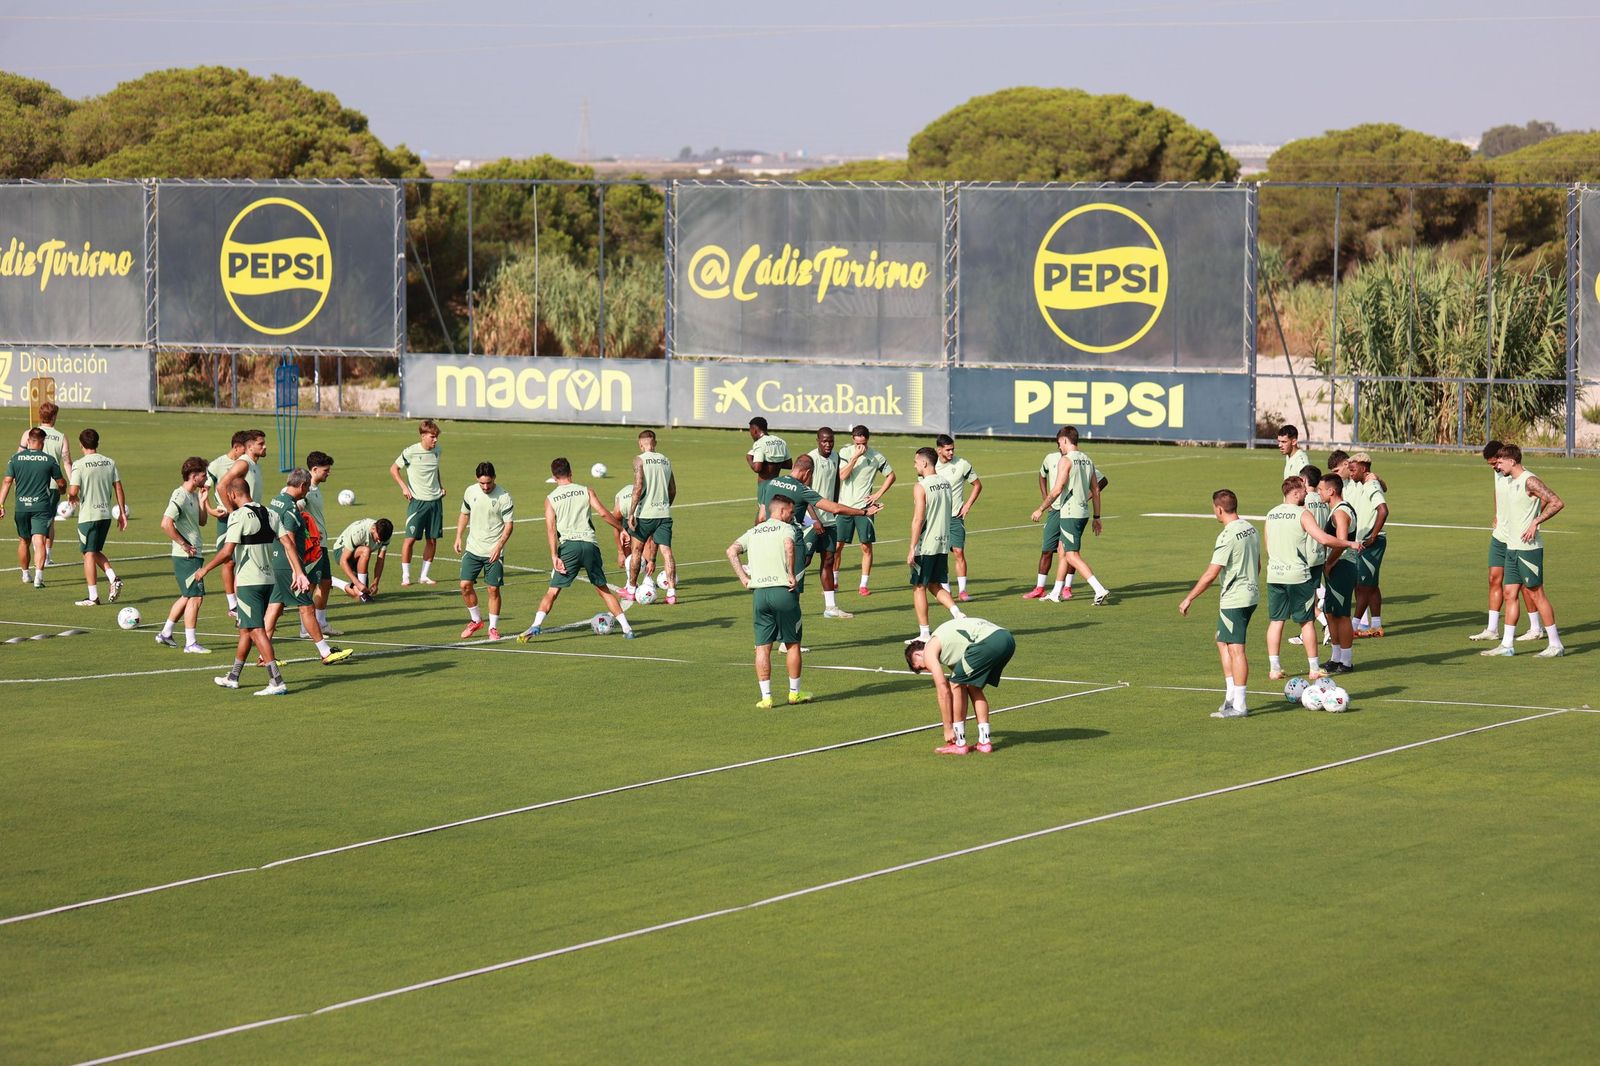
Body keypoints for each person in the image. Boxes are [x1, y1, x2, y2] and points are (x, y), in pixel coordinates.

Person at [517, 457, 634, 640]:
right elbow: (603, 513)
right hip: (589, 545)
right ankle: (627, 629)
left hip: (569, 548)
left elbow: (550, 529)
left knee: (553, 591)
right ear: (571, 472)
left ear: (554, 477)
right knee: (603, 589)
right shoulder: (586, 491)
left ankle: (535, 625)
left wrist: (554, 556)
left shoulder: (550, 499)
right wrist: (621, 529)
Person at [189, 479, 288, 696]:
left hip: (248, 582)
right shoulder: (271, 513)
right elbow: (287, 541)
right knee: (246, 629)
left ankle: (276, 680)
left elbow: (227, 552)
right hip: (267, 580)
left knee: (256, 630)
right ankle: (233, 677)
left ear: (233, 495)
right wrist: (298, 572)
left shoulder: (238, 516)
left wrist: (204, 570)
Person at [1263, 477, 1357, 681]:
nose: (1307, 494)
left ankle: (1274, 668)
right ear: (1295, 493)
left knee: (1276, 621)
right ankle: (1314, 668)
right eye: (1304, 491)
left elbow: (1268, 545)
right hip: (1298, 575)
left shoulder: (1271, 514)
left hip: (1275, 575)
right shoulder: (1303, 514)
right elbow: (1322, 538)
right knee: (1306, 622)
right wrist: (1349, 544)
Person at [1178, 489, 1260, 719]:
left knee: (1236, 649)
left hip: (1235, 598)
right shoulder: (1250, 528)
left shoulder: (1227, 535)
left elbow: (1211, 574)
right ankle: (1231, 695)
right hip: (1251, 593)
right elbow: (1258, 562)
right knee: (1221, 640)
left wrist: (1189, 597)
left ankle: (1240, 704)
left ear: (1219, 509)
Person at [1480, 443, 1565, 658]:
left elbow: (1556, 501)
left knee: (1537, 594)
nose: (1497, 465)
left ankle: (1555, 644)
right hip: (1511, 547)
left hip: (1529, 550)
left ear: (1512, 461)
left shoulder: (1529, 480)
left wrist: (1536, 521)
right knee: (1510, 593)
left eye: (1500, 462)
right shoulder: (1509, 481)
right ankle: (1507, 645)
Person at [727, 493, 810, 708]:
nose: (792, 516)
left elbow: (731, 551)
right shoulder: (787, 529)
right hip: (783, 592)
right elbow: (790, 546)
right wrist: (791, 573)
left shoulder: (754, 531)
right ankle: (794, 693)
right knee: (792, 643)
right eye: (791, 512)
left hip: (760, 594)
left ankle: (766, 698)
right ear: (781, 511)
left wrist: (744, 578)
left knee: (762, 647)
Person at [262, 469, 353, 666]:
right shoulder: (290, 509)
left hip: (276, 561)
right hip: (288, 565)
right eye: (307, 488)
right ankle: (325, 652)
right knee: (306, 608)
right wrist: (298, 571)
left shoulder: (275, 501)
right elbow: (290, 542)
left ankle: (263, 655)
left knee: (274, 606)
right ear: (302, 486)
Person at [905, 617, 1016, 755]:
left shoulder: (929, 649)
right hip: (1007, 639)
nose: (927, 669)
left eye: (922, 667)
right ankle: (984, 742)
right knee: (972, 686)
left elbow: (943, 690)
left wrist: (948, 728)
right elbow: (962, 682)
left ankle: (960, 743)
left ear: (918, 654)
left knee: (955, 683)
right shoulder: (949, 649)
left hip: (989, 641)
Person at [1468, 440, 1541, 644]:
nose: (1495, 468)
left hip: (1517, 538)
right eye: (1492, 465)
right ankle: (1492, 629)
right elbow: (1497, 491)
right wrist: (1497, 514)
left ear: (1504, 459)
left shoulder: (1521, 476)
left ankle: (1535, 628)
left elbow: (1542, 498)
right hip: (1499, 535)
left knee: (1525, 586)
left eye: (1495, 463)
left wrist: (1534, 521)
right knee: (1494, 578)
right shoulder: (1499, 472)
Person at [1030, 426, 1112, 605]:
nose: (1059, 447)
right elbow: (1096, 490)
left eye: (1060, 443)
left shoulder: (1066, 460)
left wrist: (1041, 508)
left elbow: (1057, 489)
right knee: (1062, 551)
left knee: (1071, 555)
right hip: (1083, 513)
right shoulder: (1087, 460)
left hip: (1069, 513)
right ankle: (1056, 592)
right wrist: (1097, 517)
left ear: (1066, 440)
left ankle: (1098, 589)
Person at [907, 447, 967, 641]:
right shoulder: (945, 483)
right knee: (933, 584)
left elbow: (918, 519)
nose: (914, 465)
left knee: (918, 587)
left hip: (926, 544)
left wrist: (912, 548)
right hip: (942, 543)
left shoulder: (921, 486)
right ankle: (958, 614)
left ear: (924, 463)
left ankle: (924, 633)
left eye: (916, 462)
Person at [155, 457, 211, 653]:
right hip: (186, 556)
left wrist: (204, 501)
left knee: (187, 596)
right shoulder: (179, 495)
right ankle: (190, 643)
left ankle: (166, 633)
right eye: (204, 475)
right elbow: (165, 523)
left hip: (194, 553)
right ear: (194, 476)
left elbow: (202, 522)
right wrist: (184, 544)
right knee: (196, 597)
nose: (206, 478)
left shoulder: (194, 495)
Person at [66, 428, 126, 606]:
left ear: (81, 444)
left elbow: (73, 490)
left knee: (89, 554)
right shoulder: (109, 462)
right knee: (93, 551)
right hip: (105, 515)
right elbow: (118, 487)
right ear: (97, 443)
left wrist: (71, 496)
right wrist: (122, 513)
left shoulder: (79, 464)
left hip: (88, 516)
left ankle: (93, 597)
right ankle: (113, 578)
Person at [455, 461, 515, 641]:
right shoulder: (470, 491)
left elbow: (509, 525)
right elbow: (464, 514)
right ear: (477, 480)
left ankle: (493, 628)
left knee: (493, 589)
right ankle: (476, 621)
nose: (485, 486)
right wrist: (458, 536)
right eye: (482, 483)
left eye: (488, 482)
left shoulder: (504, 496)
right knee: (465, 585)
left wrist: (499, 546)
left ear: (494, 478)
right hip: (473, 548)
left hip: (493, 551)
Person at [2, 427, 65, 588]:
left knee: (23, 541)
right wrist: (63, 490)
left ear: (28, 441)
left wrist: (1, 503)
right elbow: (61, 483)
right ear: (42, 443)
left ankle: (25, 574)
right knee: (40, 541)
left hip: (21, 506)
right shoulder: (49, 460)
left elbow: (7, 482)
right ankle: (38, 578)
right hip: (41, 506)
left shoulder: (15, 459)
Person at [837, 424, 895, 596]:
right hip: (844, 507)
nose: (860, 446)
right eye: (857, 443)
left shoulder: (876, 456)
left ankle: (863, 585)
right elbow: (842, 476)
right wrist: (855, 457)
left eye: (862, 443)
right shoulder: (845, 453)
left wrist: (878, 494)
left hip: (865, 509)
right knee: (838, 545)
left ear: (867, 439)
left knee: (866, 547)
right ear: (853, 440)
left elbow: (891, 476)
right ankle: (834, 581)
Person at [625, 429, 677, 604]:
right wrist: (665, 506)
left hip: (645, 515)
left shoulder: (639, 460)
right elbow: (673, 489)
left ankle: (631, 589)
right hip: (663, 514)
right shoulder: (666, 460)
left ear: (641, 444)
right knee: (667, 553)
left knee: (637, 551)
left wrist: (631, 512)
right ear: (655, 443)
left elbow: (638, 486)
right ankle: (671, 593)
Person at [391, 419, 445, 587]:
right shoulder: (411, 452)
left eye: (436, 437)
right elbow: (394, 469)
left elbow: (435, 470)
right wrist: (404, 488)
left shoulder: (437, 451)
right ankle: (406, 575)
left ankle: (424, 576)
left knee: (432, 540)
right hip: (418, 502)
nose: (435, 440)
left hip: (435, 502)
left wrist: (441, 487)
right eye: (432, 437)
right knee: (410, 539)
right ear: (423, 436)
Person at [1315, 473, 1359, 674]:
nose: (1318, 492)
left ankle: (1347, 662)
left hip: (1342, 566)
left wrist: (1329, 563)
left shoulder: (1339, 513)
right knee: (1330, 612)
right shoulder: (1339, 509)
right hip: (1337, 566)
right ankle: (1335, 657)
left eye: (1321, 489)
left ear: (1331, 491)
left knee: (1341, 615)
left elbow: (1341, 542)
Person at [19, 400, 72, 565]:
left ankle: (37, 552)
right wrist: (73, 485)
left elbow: (19, 456)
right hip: (53, 485)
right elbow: (67, 463)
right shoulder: (61, 436)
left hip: (29, 483)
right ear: (54, 416)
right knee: (48, 520)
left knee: (31, 519)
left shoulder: (28, 433)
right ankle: (46, 555)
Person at [205, 431, 251, 618]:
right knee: (229, 560)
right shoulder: (217, 465)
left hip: (246, 515)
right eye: (244, 448)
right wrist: (210, 510)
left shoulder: (248, 464)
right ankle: (232, 604)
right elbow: (204, 491)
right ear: (236, 447)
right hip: (226, 518)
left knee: (245, 560)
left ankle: (244, 602)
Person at [806, 427, 851, 619]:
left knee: (828, 560)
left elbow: (836, 484)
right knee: (804, 560)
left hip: (829, 520)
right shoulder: (810, 459)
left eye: (831, 441)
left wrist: (834, 508)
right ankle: (785, 594)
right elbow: (803, 491)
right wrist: (814, 518)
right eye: (824, 441)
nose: (828, 444)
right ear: (817, 440)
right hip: (810, 520)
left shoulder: (836, 457)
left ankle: (830, 607)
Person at [1343, 451, 1389, 637]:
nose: (1350, 472)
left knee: (1362, 586)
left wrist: (1372, 536)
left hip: (1372, 542)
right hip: (1365, 541)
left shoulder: (1370, 484)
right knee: (1371, 585)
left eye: (1353, 469)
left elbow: (1383, 511)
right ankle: (1376, 625)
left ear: (1363, 468)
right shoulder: (1362, 483)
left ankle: (1353, 626)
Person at [1288, 464, 1332, 648]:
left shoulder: (1303, 502)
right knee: (1311, 597)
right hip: (1320, 555)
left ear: (1304, 481)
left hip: (1305, 556)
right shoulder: (1323, 501)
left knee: (1302, 600)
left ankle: (1326, 624)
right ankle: (1306, 633)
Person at [299, 451, 342, 639]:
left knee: (326, 583)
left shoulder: (315, 489)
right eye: (325, 470)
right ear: (314, 470)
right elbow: (295, 506)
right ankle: (305, 628)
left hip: (322, 544)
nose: (328, 473)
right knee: (310, 585)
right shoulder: (305, 489)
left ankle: (321, 623)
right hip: (312, 546)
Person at [935, 433, 982, 602]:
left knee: (959, 551)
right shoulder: (931, 465)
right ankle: (946, 589)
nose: (951, 452)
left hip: (955, 517)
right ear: (939, 450)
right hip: (937, 519)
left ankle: (962, 591)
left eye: (952, 449)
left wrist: (968, 504)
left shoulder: (962, 464)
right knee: (940, 554)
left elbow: (977, 485)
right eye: (948, 450)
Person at [612, 480, 658, 595]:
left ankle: (648, 580)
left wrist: (652, 560)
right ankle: (630, 582)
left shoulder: (647, 504)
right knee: (626, 541)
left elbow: (650, 539)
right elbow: (616, 528)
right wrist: (620, 553)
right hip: (628, 509)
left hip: (645, 511)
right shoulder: (619, 510)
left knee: (646, 541)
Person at [332, 517, 393, 600]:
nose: (379, 542)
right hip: (341, 552)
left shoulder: (385, 535)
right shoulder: (359, 532)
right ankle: (363, 594)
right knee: (366, 550)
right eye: (378, 538)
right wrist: (357, 583)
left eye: (381, 540)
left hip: (359, 556)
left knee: (356, 594)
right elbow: (343, 561)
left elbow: (380, 560)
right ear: (373, 529)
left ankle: (333, 581)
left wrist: (376, 582)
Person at [746, 416, 791, 514]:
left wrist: (749, 459)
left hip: (765, 486)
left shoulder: (760, 443)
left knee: (763, 515)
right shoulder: (780, 441)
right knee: (775, 513)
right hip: (778, 484)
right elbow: (789, 464)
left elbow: (757, 468)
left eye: (750, 431)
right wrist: (773, 462)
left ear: (754, 430)